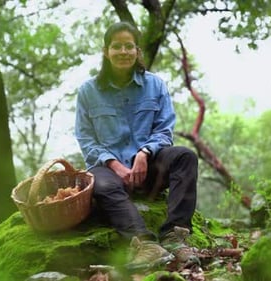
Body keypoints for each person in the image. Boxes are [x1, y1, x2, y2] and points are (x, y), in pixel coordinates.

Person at [74, 21, 200, 270]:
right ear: (106, 51)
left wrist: (144, 153)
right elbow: (86, 139)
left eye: (129, 46)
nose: (123, 52)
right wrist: (114, 164)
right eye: (117, 46)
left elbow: (164, 131)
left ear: (137, 51)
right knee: (97, 181)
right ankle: (145, 245)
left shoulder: (155, 85)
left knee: (186, 157)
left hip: (150, 167)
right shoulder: (88, 91)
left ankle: (174, 237)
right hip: (108, 169)